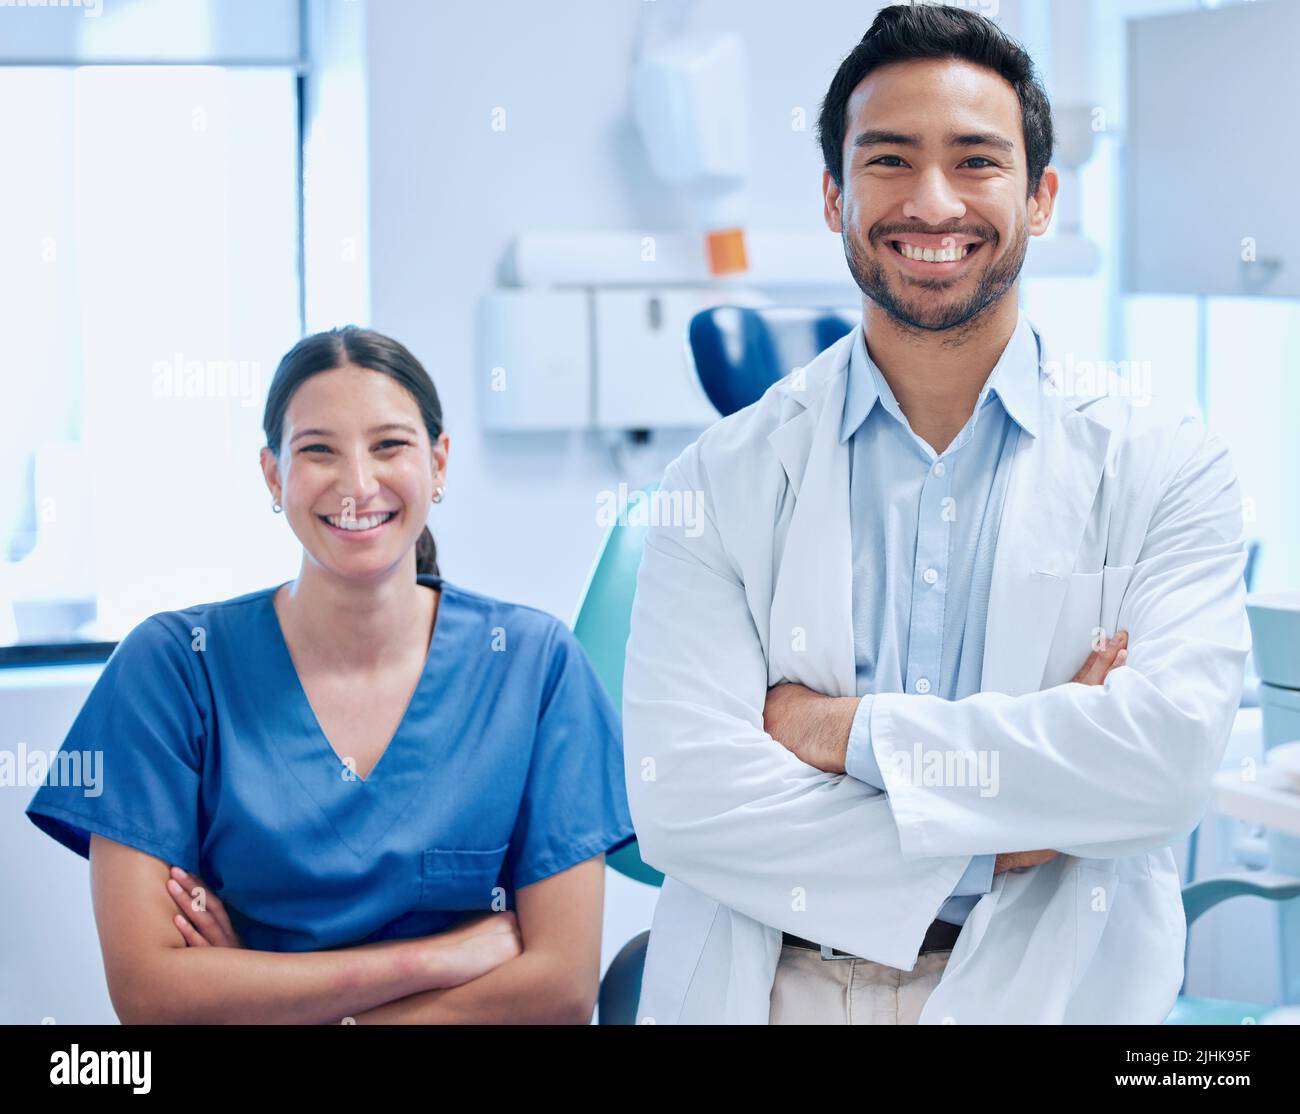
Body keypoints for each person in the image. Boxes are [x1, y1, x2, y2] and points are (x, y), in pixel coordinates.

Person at [622, 4, 1249, 1024]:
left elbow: (1163, 768)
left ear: (1040, 197)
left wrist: (842, 732)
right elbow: (686, 802)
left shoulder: (1164, 461)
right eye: (887, 160)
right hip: (769, 984)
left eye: (975, 160)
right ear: (833, 196)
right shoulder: (723, 474)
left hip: (1052, 986)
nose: (931, 200)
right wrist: (1013, 826)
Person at [27, 326, 635, 1024]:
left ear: (439, 463)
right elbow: (152, 996)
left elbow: (558, 990)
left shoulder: (534, 667)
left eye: (390, 445)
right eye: (317, 449)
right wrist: (426, 960)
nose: (356, 485)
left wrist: (265, 992)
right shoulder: (172, 668)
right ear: (272, 474)